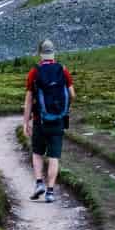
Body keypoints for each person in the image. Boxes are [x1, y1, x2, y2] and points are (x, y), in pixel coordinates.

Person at [22, 40, 74, 203]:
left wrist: (26, 122)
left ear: (40, 53)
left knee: (37, 153)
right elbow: (72, 94)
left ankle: (39, 184)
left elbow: (29, 101)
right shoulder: (63, 70)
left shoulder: (34, 72)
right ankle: (50, 192)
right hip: (58, 120)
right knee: (54, 157)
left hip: (40, 121)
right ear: (53, 53)